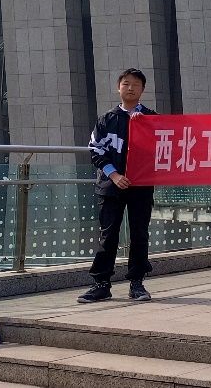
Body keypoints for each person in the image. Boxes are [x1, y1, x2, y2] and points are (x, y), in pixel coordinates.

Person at [78, 68, 156, 303]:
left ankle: (137, 283)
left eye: (136, 84)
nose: (130, 88)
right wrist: (113, 175)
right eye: (126, 83)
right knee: (108, 235)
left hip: (141, 187)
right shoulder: (106, 120)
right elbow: (96, 150)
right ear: (118, 88)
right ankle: (101, 284)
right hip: (111, 186)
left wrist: (145, 127)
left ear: (143, 90)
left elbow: (163, 148)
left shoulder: (151, 119)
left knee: (139, 234)